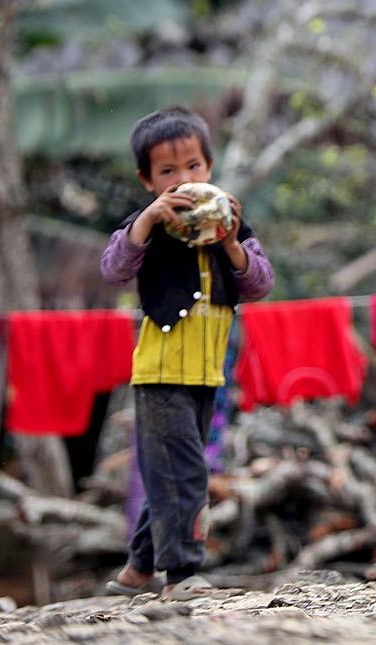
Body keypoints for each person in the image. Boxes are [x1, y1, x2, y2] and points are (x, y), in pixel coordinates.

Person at [99, 106, 274, 600]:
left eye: (193, 167)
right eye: (168, 172)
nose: (183, 180)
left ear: (210, 167)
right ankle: (181, 573)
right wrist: (147, 221)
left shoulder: (231, 225)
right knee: (187, 472)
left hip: (207, 374)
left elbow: (259, 283)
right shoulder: (145, 229)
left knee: (173, 470)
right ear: (147, 179)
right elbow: (113, 268)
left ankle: (138, 568)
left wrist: (234, 243)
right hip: (160, 375)